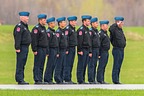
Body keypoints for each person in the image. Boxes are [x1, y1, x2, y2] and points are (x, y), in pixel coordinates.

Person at [13, 11, 31, 85]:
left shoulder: (25, 26)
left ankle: (21, 78)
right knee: (20, 63)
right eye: (26, 17)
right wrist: (17, 47)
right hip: (21, 47)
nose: (28, 18)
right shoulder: (19, 26)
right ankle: (19, 79)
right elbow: (18, 37)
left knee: (23, 63)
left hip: (25, 47)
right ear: (22, 17)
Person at [31, 14, 48, 84]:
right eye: (44, 20)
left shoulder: (43, 28)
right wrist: (34, 49)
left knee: (42, 64)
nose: (45, 21)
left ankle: (40, 79)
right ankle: (37, 79)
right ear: (40, 20)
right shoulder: (36, 29)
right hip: (39, 49)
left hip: (44, 49)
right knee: (37, 64)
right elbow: (34, 40)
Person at [109, 16, 126, 84]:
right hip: (117, 49)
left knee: (119, 65)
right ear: (118, 22)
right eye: (121, 22)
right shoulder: (114, 29)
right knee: (116, 65)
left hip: (121, 50)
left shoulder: (120, 30)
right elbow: (110, 28)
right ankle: (115, 80)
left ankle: (117, 79)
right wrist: (116, 24)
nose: (122, 24)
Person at [77, 15, 92, 84]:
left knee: (85, 65)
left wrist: (89, 51)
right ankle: (80, 79)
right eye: (88, 21)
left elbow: (89, 41)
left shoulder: (87, 30)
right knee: (81, 65)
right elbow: (79, 41)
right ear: (84, 21)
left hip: (87, 49)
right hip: (82, 49)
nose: (89, 22)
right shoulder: (81, 30)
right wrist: (79, 50)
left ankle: (83, 79)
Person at [44, 17, 59, 84]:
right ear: (50, 24)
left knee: (53, 65)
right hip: (51, 50)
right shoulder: (48, 32)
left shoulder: (53, 32)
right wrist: (47, 52)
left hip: (55, 50)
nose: (54, 24)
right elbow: (47, 43)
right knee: (49, 65)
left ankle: (50, 78)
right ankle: (47, 79)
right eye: (53, 23)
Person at [64, 16, 77, 84]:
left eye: (75, 21)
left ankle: (69, 78)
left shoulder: (73, 29)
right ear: (70, 21)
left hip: (73, 48)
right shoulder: (68, 29)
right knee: (67, 64)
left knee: (71, 64)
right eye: (74, 21)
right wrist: (67, 49)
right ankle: (66, 78)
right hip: (69, 48)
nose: (75, 22)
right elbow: (66, 39)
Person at [54, 17, 68, 84]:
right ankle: (57, 78)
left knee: (63, 65)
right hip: (60, 51)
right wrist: (57, 52)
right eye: (63, 22)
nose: (65, 23)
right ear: (60, 23)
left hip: (64, 50)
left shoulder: (63, 31)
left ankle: (61, 78)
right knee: (59, 65)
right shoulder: (58, 32)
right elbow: (57, 43)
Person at [88, 17, 100, 84]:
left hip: (97, 50)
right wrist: (90, 51)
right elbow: (90, 42)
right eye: (96, 23)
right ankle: (91, 79)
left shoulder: (96, 31)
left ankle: (93, 79)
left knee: (95, 65)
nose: (97, 24)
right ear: (92, 24)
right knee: (91, 65)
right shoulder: (91, 31)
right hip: (93, 50)